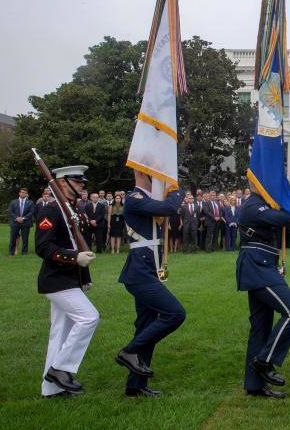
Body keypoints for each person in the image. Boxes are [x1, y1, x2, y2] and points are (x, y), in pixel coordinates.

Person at [115, 170, 185, 397]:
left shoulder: (146, 199)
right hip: (140, 273)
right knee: (175, 313)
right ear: (143, 174)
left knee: (146, 324)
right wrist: (176, 190)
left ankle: (135, 385)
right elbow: (168, 209)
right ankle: (129, 352)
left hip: (148, 271)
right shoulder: (135, 199)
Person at [35, 165, 99, 397]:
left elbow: (76, 241)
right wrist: (74, 257)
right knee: (89, 318)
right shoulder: (51, 210)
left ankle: (50, 389)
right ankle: (60, 369)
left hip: (70, 279)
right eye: (78, 181)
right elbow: (42, 247)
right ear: (62, 183)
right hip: (56, 280)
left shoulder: (74, 210)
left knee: (60, 333)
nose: (82, 185)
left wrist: (85, 276)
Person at [237, 185, 290, 399]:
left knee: (260, 328)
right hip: (256, 267)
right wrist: (286, 199)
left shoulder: (264, 204)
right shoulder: (252, 205)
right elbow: (285, 218)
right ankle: (264, 361)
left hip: (263, 265)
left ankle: (254, 386)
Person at [9, 187, 35, 256]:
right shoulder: (13, 202)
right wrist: (17, 218)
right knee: (13, 238)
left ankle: (24, 253)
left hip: (25, 222)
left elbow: (31, 212)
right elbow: (10, 212)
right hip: (15, 222)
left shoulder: (30, 202)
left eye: (25, 193)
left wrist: (23, 218)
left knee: (25, 238)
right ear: (19, 193)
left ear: (27, 194)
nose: (23, 194)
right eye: (22, 192)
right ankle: (11, 253)